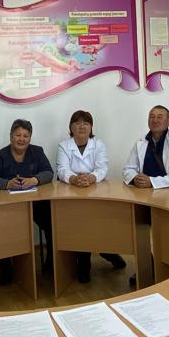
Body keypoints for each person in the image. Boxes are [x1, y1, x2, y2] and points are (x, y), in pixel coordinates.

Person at [55, 110, 124, 280]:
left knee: (98, 220)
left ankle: (107, 251)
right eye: (77, 123)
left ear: (91, 127)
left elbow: (102, 168)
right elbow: (62, 169)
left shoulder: (98, 145)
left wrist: (91, 178)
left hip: (95, 190)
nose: (82, 127)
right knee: (78, 220)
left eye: (86, 123)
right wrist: (74, 179)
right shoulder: (64, 145)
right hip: (71, 191)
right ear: (71, 127)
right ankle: (84, 261)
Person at [0, 119, 55, 277]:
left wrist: (34, 180)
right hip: (9, 206)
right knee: (1, 227)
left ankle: (51, 263)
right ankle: (6, 267)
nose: (21, 139)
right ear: (11, 136)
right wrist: (7, 184)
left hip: (35, 203)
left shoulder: (37, 152)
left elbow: (49, 173)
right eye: (18, 135)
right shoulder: (0, 155)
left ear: (30, 138)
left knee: (51, 222)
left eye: (25, 136)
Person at [123, 105, 169, 190]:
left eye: (159, 117)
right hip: (143, 192)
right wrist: (134, 178)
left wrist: (152, 182)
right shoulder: (140, 142)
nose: (155, 120)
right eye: (152, 117)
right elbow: (128, 169)